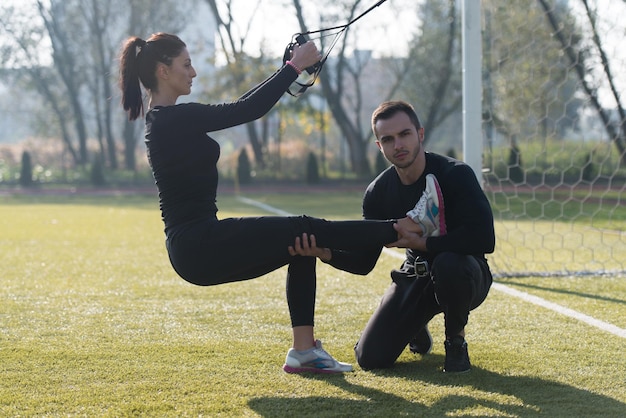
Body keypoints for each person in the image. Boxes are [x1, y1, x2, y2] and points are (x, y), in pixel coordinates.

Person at [118, 33, 429, 374]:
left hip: (197, 246)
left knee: (301, 245)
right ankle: (400, 229)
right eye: (186, 64)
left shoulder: (167, 119)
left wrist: (289, 68)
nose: (193, 72)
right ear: (164, 71)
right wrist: (294, 67)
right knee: (305, 227)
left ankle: (304, 351)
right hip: (197, 244)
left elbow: (242, 104)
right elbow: (245, 109)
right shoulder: (171, 120)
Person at [289, 100, 495, 373]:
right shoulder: (378, 193)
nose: (398, 144)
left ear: (420, 134)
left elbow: (484, 239)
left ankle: (455, 341)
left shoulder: (455, 174)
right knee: (370, 358)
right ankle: (415, 323)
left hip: (466, 274)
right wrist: (324, 253)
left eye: (405, 134)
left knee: (449, 264)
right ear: (379, 146)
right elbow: (364, 262)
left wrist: (423, 242)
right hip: (416, 275)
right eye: (388, 139)